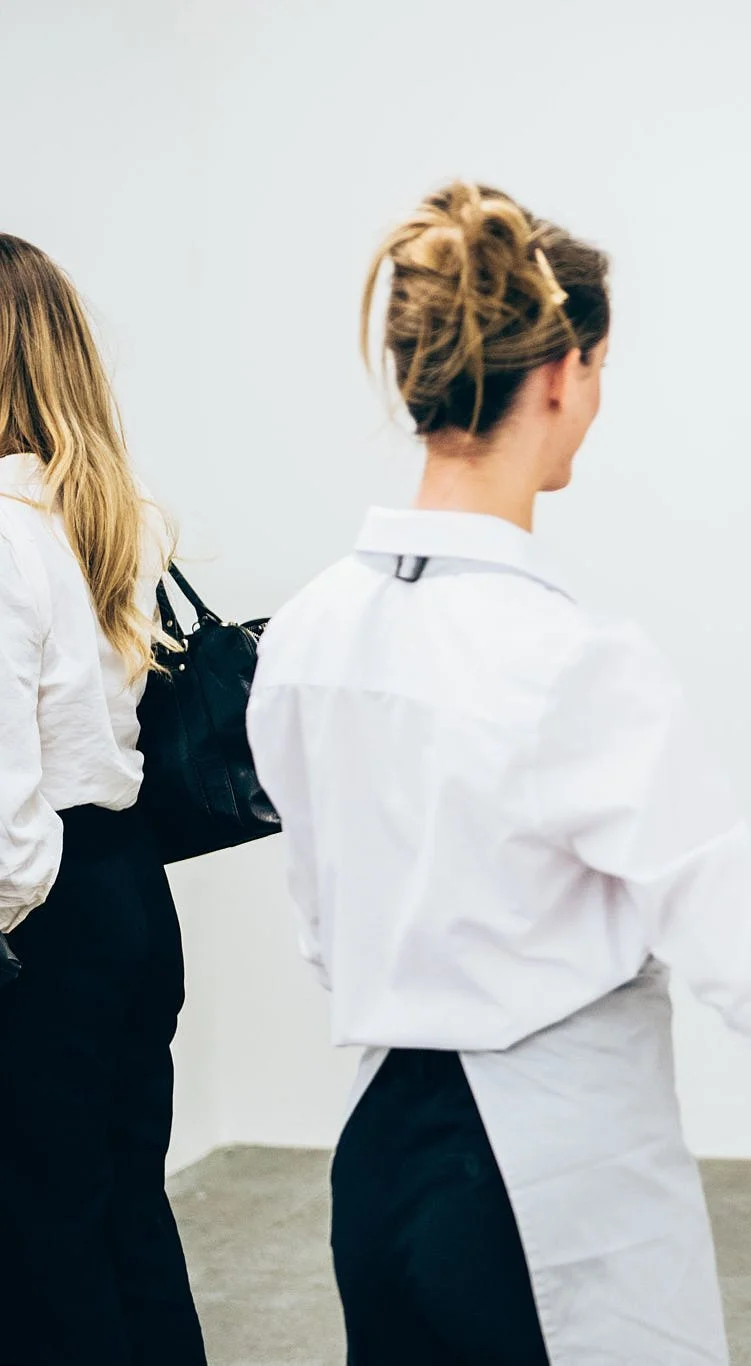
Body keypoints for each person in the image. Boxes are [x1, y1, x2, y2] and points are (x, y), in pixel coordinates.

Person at [245, 182, 751, 1364]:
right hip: (545, 1177)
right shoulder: (574, 659)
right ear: (564, 372)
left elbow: (327, 931)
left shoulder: (306, 634)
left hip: (377, 1166)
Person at [0, 235, 202, 1364]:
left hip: (47, 918)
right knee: (126, 1209)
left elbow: (3, 825)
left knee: (41, 1245)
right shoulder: (106, 517)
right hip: (128, 894)